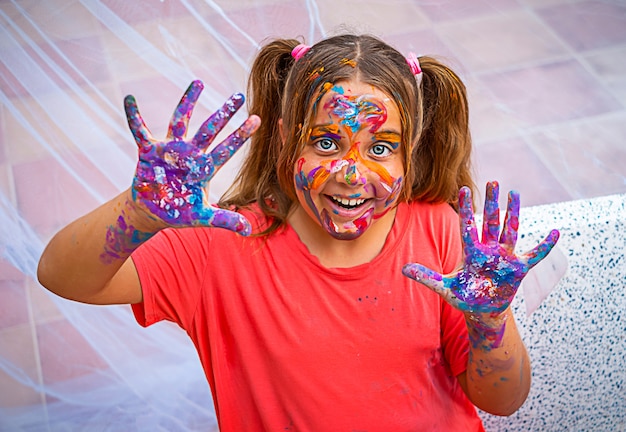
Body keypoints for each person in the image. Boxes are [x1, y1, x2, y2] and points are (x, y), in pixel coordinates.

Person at [37, 34, 559, 431]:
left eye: (380, 149)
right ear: (287, 138)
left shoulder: (441, 235)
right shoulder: (223, 244)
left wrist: (489, 320)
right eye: (326, 142)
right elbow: (63, 276)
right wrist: (139, 213)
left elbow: (502, 401)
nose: (350, 175)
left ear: (411, 151)